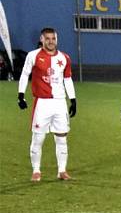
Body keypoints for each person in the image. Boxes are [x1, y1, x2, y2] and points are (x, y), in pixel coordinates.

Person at [17, 27, 77, 181]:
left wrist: (73, 99)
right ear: (42, 39)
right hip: (42, 103)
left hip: (59, 103)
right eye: (48, 38)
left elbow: (67, 79)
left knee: (62, 137)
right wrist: (21, 95)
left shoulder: (64, 58)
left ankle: (62, 171)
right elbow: (25, 74)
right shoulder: (33, 56)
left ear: (56, 40)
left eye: (53, 38)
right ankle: (36, 171)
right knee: (38, 138)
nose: (51, 42)